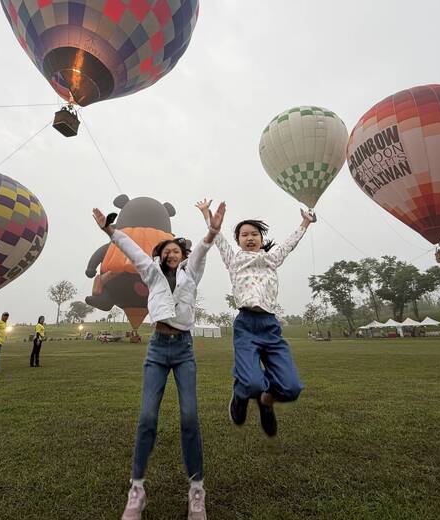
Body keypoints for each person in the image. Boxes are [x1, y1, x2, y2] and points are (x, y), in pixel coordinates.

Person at [92, 202, 225, 520]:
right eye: (166, 250)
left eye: (177, 249)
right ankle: (136, 489)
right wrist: (109, 230)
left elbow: (204, 249)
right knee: (147, 419)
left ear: (182, 255)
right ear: (160, 255)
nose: (172, 252)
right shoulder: (150, 273)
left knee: (190, 418)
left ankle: (197, 490)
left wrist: (213, 229)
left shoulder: (192, 273)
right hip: (157, 350)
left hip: (183, 350)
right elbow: (131, 247)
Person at [197, 199, 315, 438]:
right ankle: (240, 397)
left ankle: (266, 402)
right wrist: (207, 215)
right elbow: (218, 238)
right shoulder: (233, 259)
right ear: (238, 240)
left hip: (270, 326)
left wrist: (305, 222)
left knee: (291, 388)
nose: (250, 238)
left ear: (262, 239)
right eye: (244, 235)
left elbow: (290, 244)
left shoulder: (272, 259)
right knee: (251, 382)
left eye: (254, 234)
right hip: (246, 324)